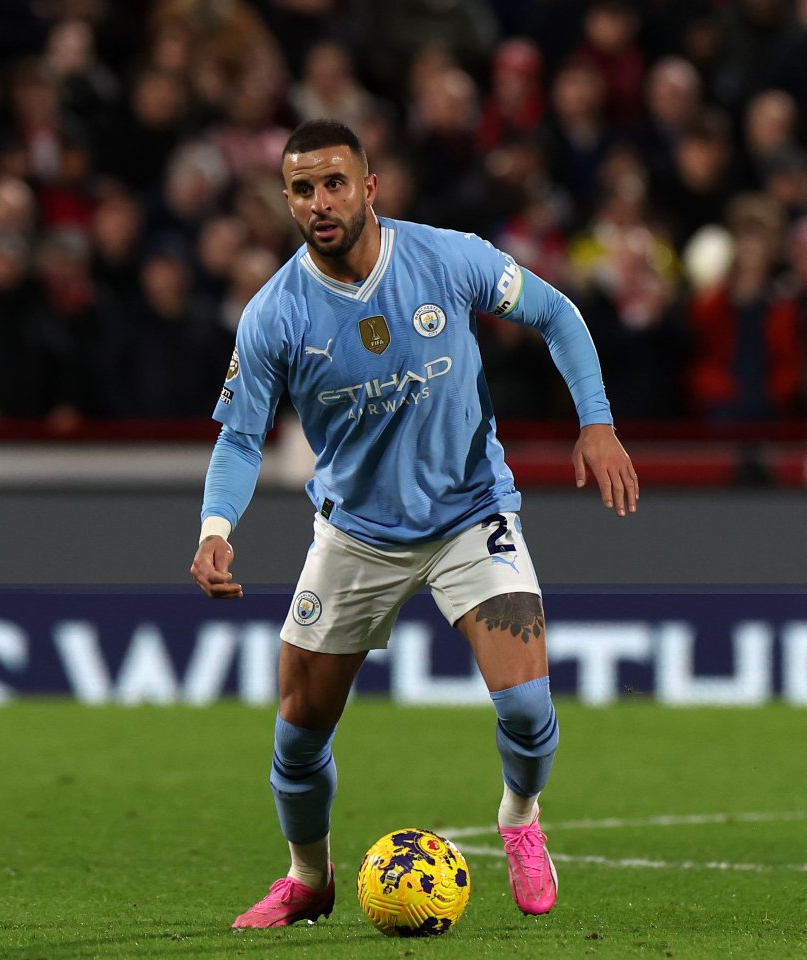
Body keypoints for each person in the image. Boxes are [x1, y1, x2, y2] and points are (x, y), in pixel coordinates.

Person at [190, 119, 639, 929]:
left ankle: (519, 820)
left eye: (334, 183)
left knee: (529, 711)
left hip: (472, 515)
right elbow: (241, 436)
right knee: (296, 740)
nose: (320, 202)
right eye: (302, 188)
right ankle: (309, 877)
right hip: (355, 535)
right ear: (286, 201)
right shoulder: (275, 315)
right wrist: (215, 527)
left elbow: (559, 315)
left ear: (369, 187)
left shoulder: (447, 257)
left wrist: (596, 421)